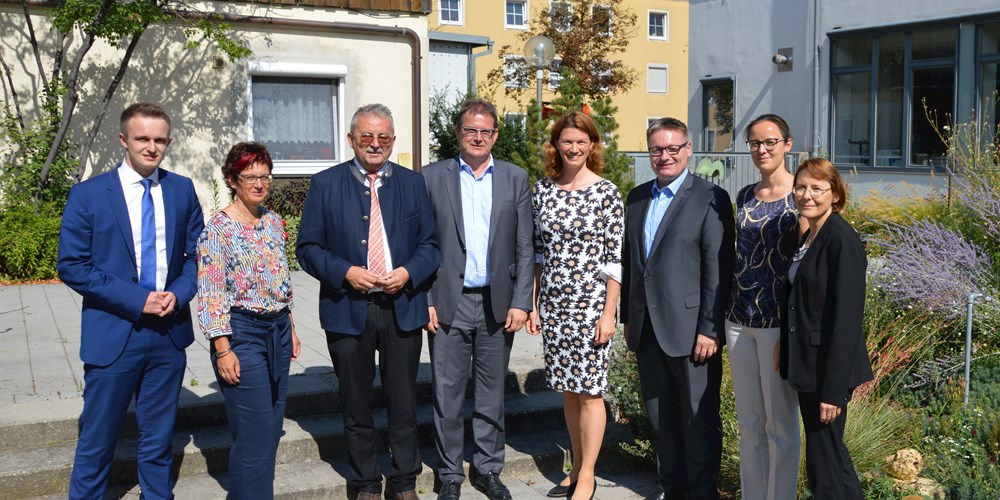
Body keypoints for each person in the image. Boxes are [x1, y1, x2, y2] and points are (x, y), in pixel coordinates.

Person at [57, 102, 204, 499]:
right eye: (142, 138)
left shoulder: (181, 189)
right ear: (124, 139)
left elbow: (197, 257)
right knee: (97, 440)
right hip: (114, 334)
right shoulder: (88, 195)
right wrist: (138, 300)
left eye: (159, 140)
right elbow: (72, 265)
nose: (151, 147)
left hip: (167, 335)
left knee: (157, 441)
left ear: (168, 142)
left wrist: (178, 292)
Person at [296, 103, 440, 500]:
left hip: (402, 308)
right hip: (348, 308)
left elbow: (431, 245)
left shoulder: (413, 184)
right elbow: (307, 247)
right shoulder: (326, 184)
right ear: (351, 140)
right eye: (367, 137)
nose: (375, 144)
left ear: (393, 141)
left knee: (404, 404)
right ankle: (364, 484)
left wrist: (409, 272)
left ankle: (405, 481)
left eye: (384, 138)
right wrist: (346, 272)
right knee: (356, 405)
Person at [422, 98, 533, 500]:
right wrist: (425, 300)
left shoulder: (515, 178)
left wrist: (522, 301)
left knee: (492, 393)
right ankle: (449, 473)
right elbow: (420, 244)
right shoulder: (431, 177)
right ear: (459, 132)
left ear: (496, 135)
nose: (479, 137)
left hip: (497, 304)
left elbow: (525, 245)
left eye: (486, 131)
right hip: (446, 301)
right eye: (471, 130)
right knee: (446, 394)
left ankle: (487, 468)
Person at [621, 117, 735, 500]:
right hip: (648, 327)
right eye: (657, 149)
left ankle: (702, 493)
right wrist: (627, 317)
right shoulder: (636, 198)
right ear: (649, 151)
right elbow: (632, 264)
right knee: (660, 417)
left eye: (673, 149)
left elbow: (717, 267)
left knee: (698, 418)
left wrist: (710, 328)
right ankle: (671, 487)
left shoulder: (710, 197)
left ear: (688, 150)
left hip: (692, 332)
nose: (664, 156)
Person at [526, 111, 623, 500]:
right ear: (556, 145)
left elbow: (615, 259)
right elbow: (537, 252)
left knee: (591, 392)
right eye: (567, 141)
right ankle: (576, 467)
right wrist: (533, 304)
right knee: (568, 390)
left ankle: (587, 475)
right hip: (554, 303)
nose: (574, 148)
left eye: (581, 142)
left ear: (592, 146)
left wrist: (608, 313)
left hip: (591, 304)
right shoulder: (543, 190)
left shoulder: (606, 192)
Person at [196, 142, 302, 499]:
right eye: (250, 177)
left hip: (278, 330)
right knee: (256, 433)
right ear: (232, 179)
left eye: (264, 176)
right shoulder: (218, 230)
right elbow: (211, 293)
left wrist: (292, 325)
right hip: (242, 333)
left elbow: (280, 278)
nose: (259, 183)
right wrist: (222, 348)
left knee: (269, 430)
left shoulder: (272, 222)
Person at [781, 158, 873, 499]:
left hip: (826, 372)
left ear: (835, 195)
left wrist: (832, 392)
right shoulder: (809, 235)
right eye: (801, 187)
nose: (807, 195)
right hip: (808, 364)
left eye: (817, 189)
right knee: (830, 458)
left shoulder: (841, 239)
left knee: (824, 468)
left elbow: (846, 321)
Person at [724, 114, 801, 500]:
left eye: (770, 142)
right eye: (755, 143)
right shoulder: (745, 195)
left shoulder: (801, 197)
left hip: (776, 323)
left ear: (787, 144)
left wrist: (791, 331)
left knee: (781, 426)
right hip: (738, 320)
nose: (762, 149)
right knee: (750, 423)